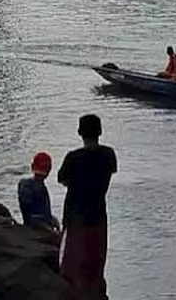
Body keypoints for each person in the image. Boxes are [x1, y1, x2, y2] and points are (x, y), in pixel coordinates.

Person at [57, 114, 117, 300]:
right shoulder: (108, 154)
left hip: (75, 216)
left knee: (73, 267)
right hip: (98, 214)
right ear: (100, 132)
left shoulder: (73, 158)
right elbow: (110, 172)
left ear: (80, 133)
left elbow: (63, 179)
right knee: (95, 264)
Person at [18, 152, 59, 232]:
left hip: (41, 226)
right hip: (34, 229)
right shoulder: (27, 186)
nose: (41, 176)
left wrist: (52, 219)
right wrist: (51, 231)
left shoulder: (28, 185)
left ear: (32, 166)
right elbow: (32, 217)